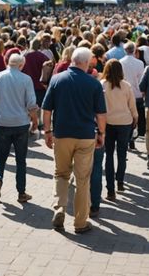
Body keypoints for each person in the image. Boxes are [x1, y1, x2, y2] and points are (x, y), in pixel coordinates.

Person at [41, 47, 106, 233]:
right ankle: (80, 222)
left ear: (72, 61)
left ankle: (60, 207)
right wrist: (101, 133)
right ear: (86, 63)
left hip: (62, 134)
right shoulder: (93, 83)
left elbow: (46, 110)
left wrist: (47, 131)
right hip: (85, 135)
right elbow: (101, 114)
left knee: (61, 173)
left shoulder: (57, 79)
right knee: (82, 179)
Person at [0, 53, 38, 204]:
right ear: (21, 65)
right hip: (21, 123)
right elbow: (31, 103)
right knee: (21, 160)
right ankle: (21, 192)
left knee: (0, 157)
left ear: (8, 62)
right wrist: (35, 120)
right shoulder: (26, 79)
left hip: (2, 122)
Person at [100, 59, 137, 201]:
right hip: (124, 122)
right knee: (122, 153)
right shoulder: (126, 86)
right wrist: (135, 117)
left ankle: (110, 190)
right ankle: (120, 181)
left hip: (108, 122)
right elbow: (132, 105)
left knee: (108, 155)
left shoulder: (102, 85)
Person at [119, 42, 146, 150]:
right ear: (134, 50)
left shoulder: (120, 62)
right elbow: (141, 79)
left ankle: (129, 137)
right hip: (137, 93)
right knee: (136, 117)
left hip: (125, 93)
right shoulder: (139, 63)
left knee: (128, 117)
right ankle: (132, 137)